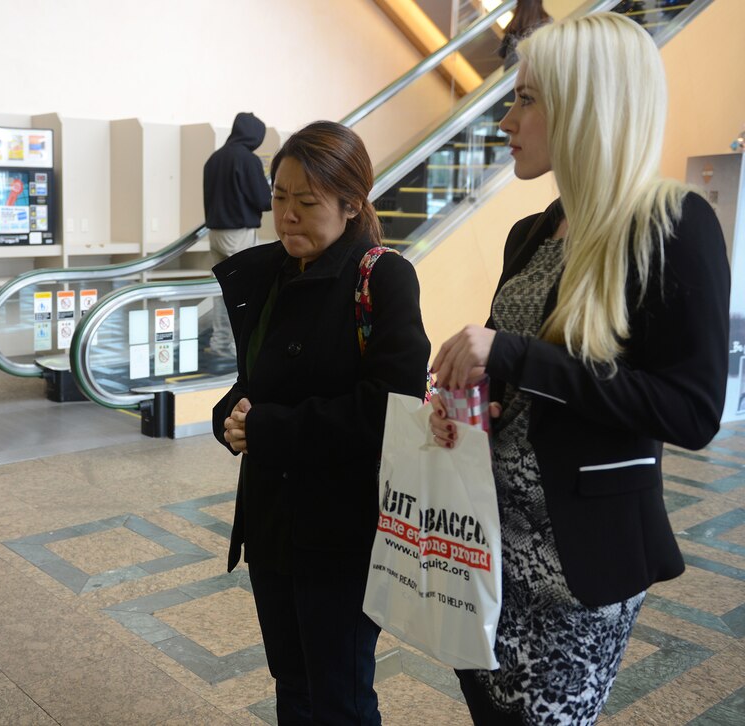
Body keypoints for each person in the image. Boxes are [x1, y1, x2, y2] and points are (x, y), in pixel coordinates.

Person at [429, 13, 729, 725]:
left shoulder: (673, 225)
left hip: (578, 570)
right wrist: (467, 406)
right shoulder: (529, 233)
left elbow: (692, 411)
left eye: (527, 99)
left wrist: (517, 356)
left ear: (587, 104)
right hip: (486, 552)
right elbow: (513, 385)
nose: (507, 119)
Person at [212, 121, 430, 724]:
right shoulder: (273, 276)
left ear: (351, 203)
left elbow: (391, 405)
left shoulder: (382, 277)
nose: (286, 216)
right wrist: (230, 415)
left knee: (340, 692)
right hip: (273, 521)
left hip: (344, 531)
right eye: (279, 198)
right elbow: (256, 382)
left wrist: (270, 430)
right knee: (292, 679)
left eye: (305, 202)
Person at [203, 111, 273, 358]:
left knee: (224, 292)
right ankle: (238, 347)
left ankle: (221, 342)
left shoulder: (214, 159)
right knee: (246, 291)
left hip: (215, 234)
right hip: (239, 234)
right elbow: (264, 200)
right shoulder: (248, 160)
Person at [497, 0, 551, 69]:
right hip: (535, 70)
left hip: (513, 70)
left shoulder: (515, 24)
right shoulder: (547, 22)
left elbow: (502, 52)